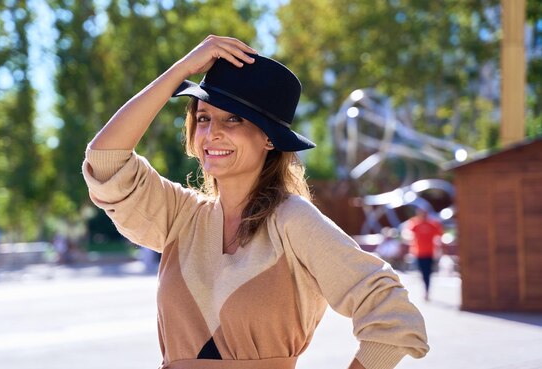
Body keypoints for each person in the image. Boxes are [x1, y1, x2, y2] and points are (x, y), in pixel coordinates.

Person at [82, 35, 428, 369]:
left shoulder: (292, 220)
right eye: (203, 118)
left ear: (268, 138)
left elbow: (394, 316)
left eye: (233, 118)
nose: (212, 132)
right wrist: (181, 71)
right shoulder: (181, 216)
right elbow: (105, 161)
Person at [403, 208, 443, 300]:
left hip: (430, 253)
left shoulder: (432, 224)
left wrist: (439, 250)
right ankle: (425, 290)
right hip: (418, 253)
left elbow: (439, 237)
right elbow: (407, 234)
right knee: (422, 272)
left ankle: (427, 290)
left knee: (428, 273)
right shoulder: (415, 224)